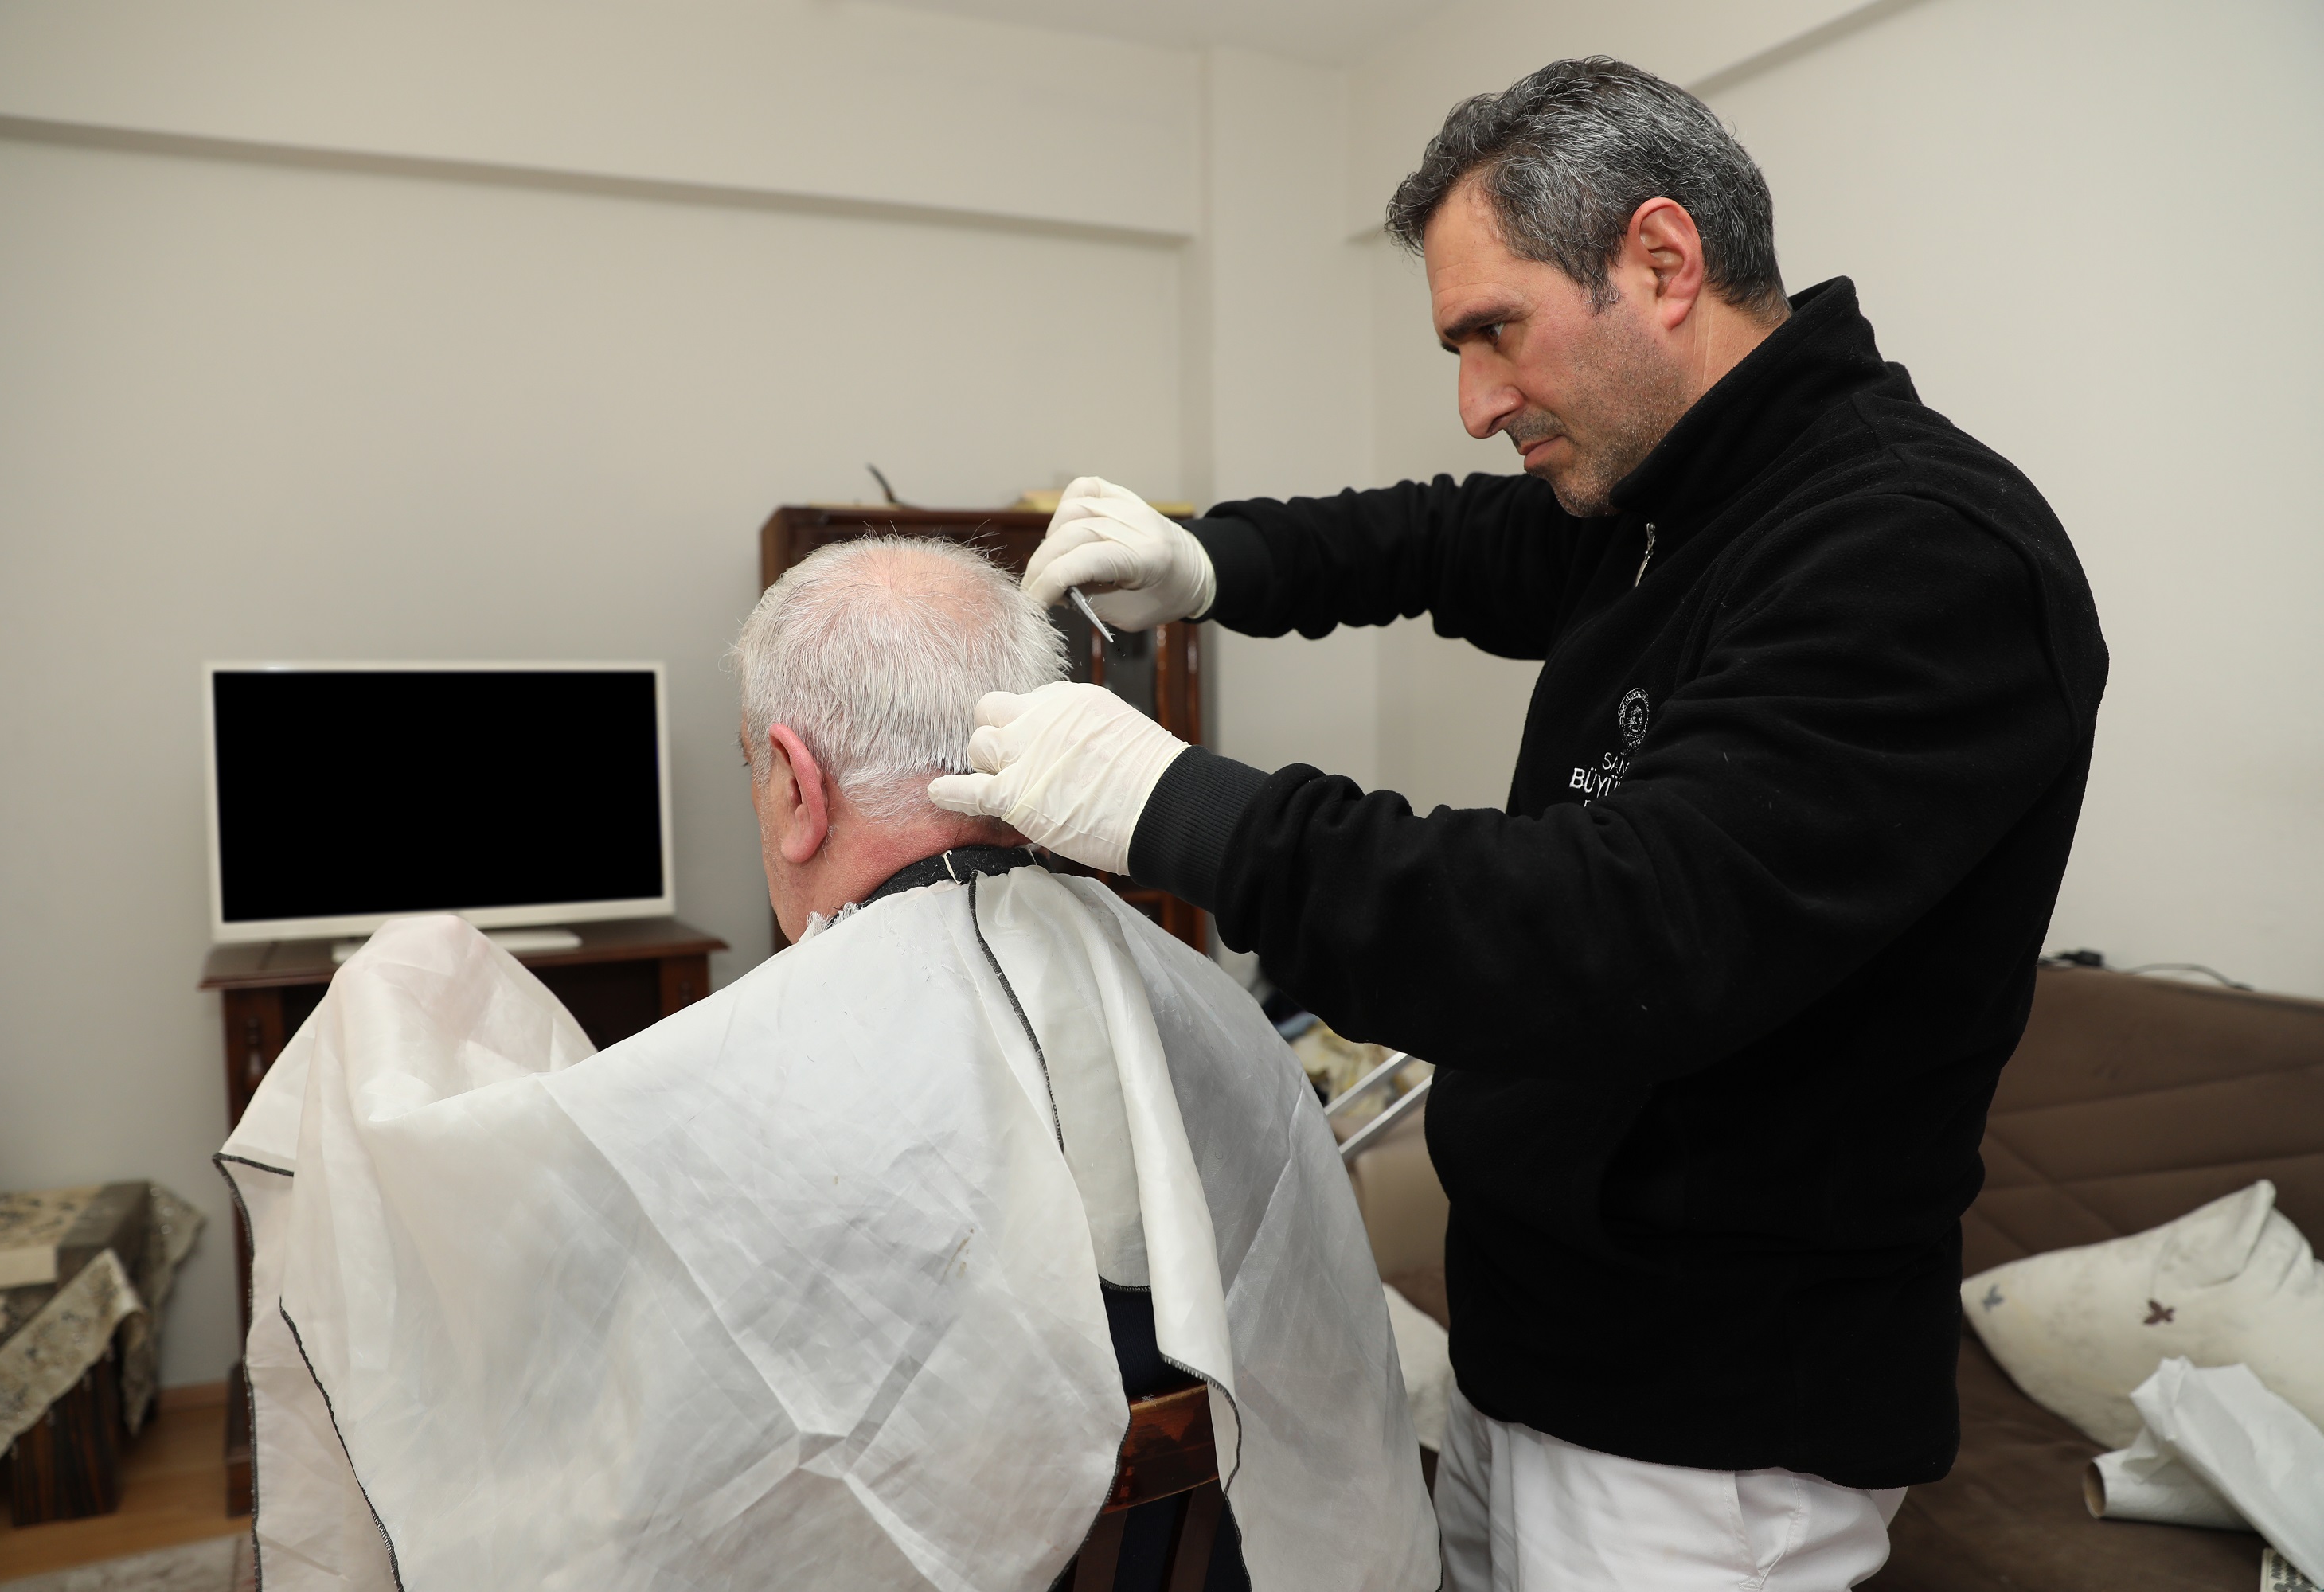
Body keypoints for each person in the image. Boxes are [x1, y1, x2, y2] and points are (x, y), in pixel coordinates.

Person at [929, 58, 2109, 1592]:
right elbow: (1447, 538)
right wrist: (1214, 559)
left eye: (1497, 331)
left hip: (1705, 1427)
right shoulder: (1674, 489)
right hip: (1537, 1342)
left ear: (1663, 262)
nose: (1479, 402)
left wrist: (1179, 807)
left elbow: (1614, 932)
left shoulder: (1916, 554)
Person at [219, 536, 1436, 1592]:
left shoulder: (741, 1088)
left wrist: (395, 998)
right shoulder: (1206, 1005)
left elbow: (571, 1423)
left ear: (799, 786)